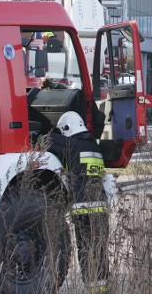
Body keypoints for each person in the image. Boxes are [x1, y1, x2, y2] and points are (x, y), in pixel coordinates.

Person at [49, 111, 110, 292]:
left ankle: (92, 287)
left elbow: (48, 139)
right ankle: (103, 288)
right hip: (101, 207)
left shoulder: (71, 144)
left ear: (67, 129)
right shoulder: (95, 147)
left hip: (82, 208)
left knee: (86, 249)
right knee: (100, 248)